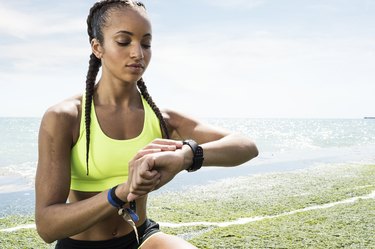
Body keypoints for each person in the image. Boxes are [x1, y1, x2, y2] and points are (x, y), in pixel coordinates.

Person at [35, 0, 259, 248]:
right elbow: (47, 227)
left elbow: (246, 146)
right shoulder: (65, 117)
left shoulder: (162, 118)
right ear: (97, 47)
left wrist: (187, 156)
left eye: (146, 43)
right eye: (124, 41)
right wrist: (120, 193)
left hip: (142, 237)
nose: (138, 53)